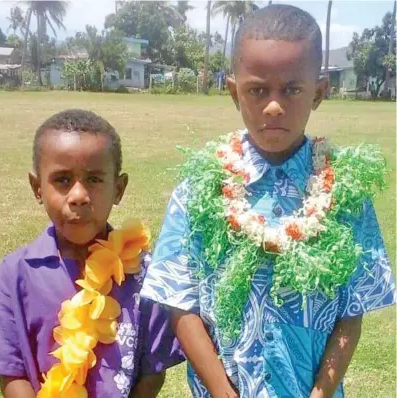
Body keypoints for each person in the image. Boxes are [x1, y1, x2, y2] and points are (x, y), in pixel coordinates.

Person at [140, 5, 395, 398]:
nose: (274, 105)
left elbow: (352, 307)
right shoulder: (199, 188)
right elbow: (180, 303)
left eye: (292, 89)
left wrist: (322, 392)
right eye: (257, 90)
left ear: (319, 93)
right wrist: (222, 392)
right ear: (233, 92)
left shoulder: (344, 192)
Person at [0, 109, 184, 398]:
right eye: (62, 180)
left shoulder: (145, 273)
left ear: (118, 189)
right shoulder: (17, 272)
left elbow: (152, 374)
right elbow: (12, 372)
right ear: (37, 188)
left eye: (94, 179)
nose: (79, 196)